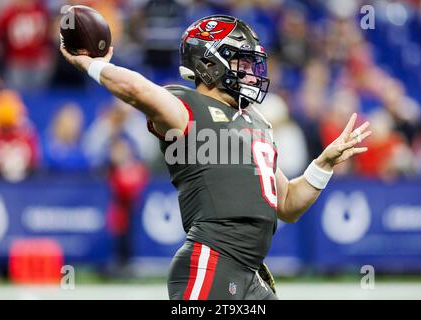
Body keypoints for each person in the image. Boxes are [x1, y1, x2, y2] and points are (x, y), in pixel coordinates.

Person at [60, 14, 371, 300]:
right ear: (209, 65)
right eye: (241, 62)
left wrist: (323, 165)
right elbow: (137, 91)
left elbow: (288, 204)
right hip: (211, 263)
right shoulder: (186, 108)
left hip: (249, 272)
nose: (250, 72)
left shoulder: (256, 121)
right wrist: (94, 65)